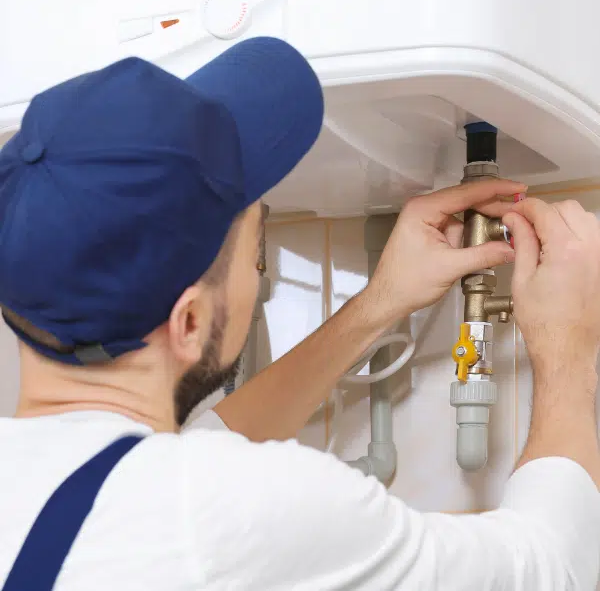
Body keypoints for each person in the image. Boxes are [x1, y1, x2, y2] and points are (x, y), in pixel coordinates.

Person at [0, 37, 597, 591]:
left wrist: (379, 304)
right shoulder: (241, 514)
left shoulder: (66, 489)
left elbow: (188, 463)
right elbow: (554, 569)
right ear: (189, 322)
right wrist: (568, 346)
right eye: (256, 246)